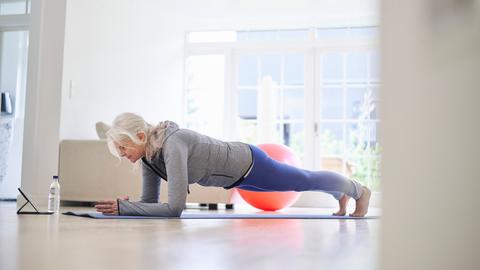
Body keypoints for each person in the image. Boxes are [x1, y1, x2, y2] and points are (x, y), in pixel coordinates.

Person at [94, 112, 371, 217]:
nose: (122, 155)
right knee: (303, 179)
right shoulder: (148, 157)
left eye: (123, 148)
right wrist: (125, 207)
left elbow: (174, 208)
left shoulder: (173, 144)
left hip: (249, 163)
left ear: (140, 137)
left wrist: (127, 208)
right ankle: (341, 194)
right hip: (236, 178)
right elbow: (149, 201)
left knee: (302, 180)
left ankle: (358, 190)